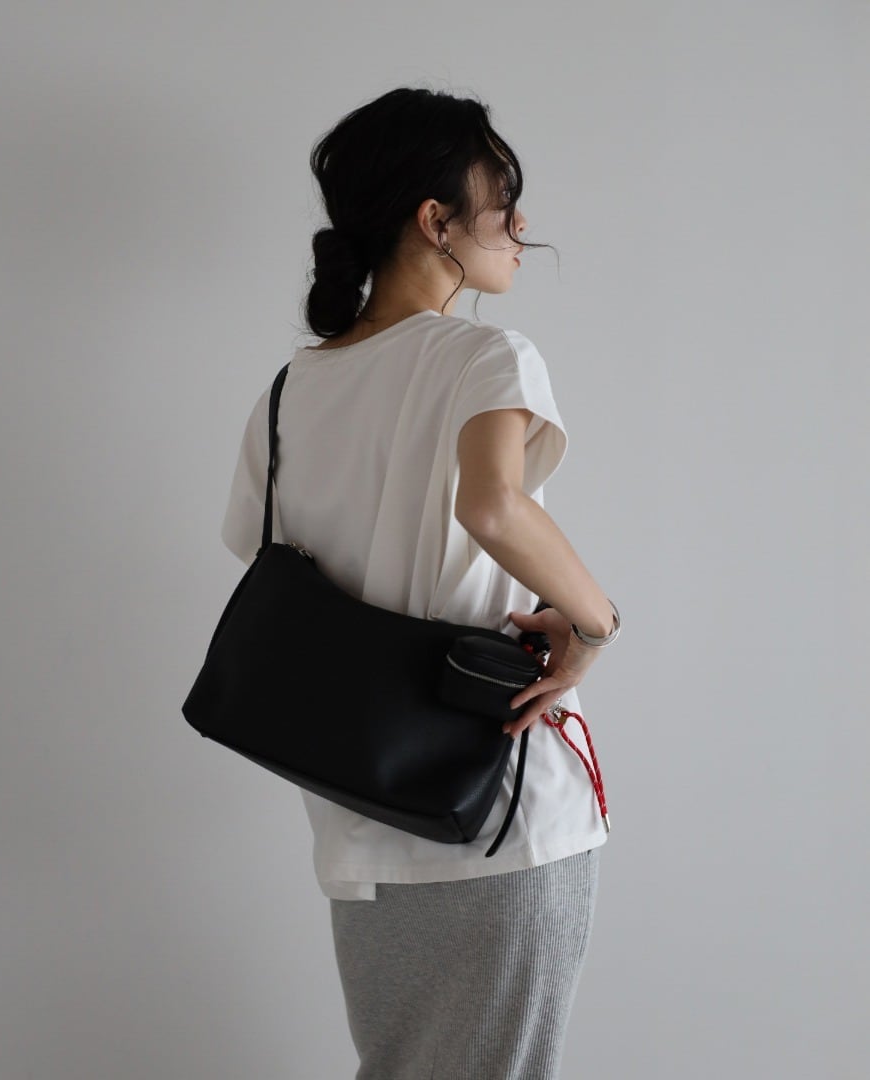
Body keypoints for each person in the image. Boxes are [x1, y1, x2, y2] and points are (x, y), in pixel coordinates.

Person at [219, 86, 620, 1080]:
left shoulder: (289, 393)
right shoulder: (488, 358)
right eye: (502, 200)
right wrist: (593, 624)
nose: (520, 225)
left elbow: (260, 553)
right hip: (498, 814)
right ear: (436, 220)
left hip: (358, 825)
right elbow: (493, 508)